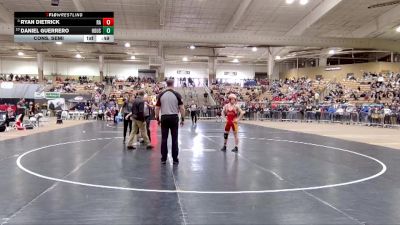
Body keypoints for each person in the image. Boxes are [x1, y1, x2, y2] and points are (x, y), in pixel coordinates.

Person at [155, 79, 185, 165]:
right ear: (173, 84)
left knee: (164, 139)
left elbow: (157, 108)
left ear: (166, 84)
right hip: (174, 118)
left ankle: (163, 158)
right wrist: (182, 119)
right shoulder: (177, 95)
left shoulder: (161, 95)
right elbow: (182, 108)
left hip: (164, 117)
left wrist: (157, 118)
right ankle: (175, 159)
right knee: (174, 139)